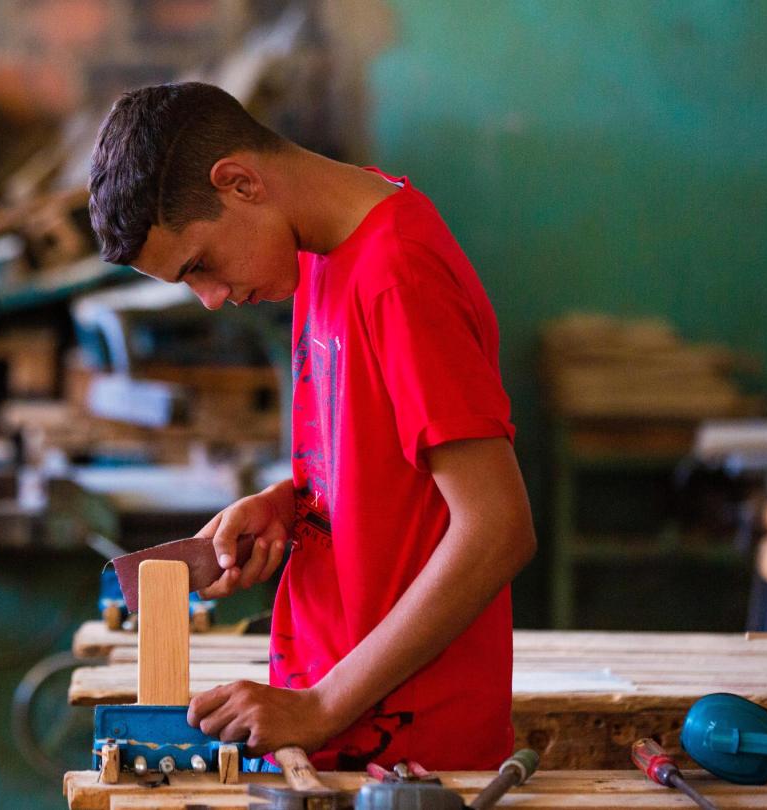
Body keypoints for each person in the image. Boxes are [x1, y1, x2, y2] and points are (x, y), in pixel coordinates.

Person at [87, 82, 537, 771]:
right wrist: (290, 505)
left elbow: (497, 528)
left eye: (199, 265)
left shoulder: (398, 276)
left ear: (239, 183)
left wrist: (324, 704)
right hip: (330, 725)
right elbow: (382, 459)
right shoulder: (321, 253)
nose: (210, 300)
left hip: (406, 755)